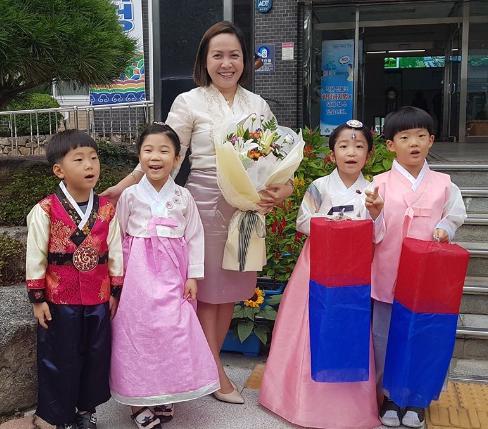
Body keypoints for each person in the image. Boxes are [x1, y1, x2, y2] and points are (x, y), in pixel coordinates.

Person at [102, 21, 293, 403]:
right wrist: (123, 188)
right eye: (217, 55)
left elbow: (275, 161)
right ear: (204, 61)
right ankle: (215, 373)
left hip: (247, 209)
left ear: (246, 60)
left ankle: (210, 365)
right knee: (206, 291)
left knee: (231, 292)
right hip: (203, 203)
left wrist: (280, 189)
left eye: (234, 55)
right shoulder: (188, 102)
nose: (227, 63)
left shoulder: (258, 105)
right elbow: (166, 156)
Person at [259, 120, 380, 429]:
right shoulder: (320, 186)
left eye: (358, 146)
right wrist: (331, 221)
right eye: (343, 146)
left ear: (369, 153)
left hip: (354, 269)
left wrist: (376, 215)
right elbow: (302, 222)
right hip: (317, 264)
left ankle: (347, 405)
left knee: (348, 328)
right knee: (309, 326)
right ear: (332, 153)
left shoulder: (374, 190)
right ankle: (297, 399)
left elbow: (380, 234)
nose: (351, 152)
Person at [110, 123, 219, 429]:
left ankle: (165, 392)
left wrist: (193, 276)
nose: (155, 157)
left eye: (163, 150)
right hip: (137, 277)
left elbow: (195, 237)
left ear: (176, 157)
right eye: (148, 150)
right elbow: (116, 238)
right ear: (139, 156)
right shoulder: (131, 195)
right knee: (137, 333)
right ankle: (136, 400)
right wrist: (116, 278)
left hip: (174, 273)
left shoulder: (183, 197)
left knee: (173, 330)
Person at [366, 106, 466, 428]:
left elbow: (454, 215)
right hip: (388, 272)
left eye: (421, 136)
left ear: (431, 140)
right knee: (384, 336)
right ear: (390, 145)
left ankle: (417, 399)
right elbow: (371, 232)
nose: (414, 143)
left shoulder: (444, 183)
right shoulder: (378, 183)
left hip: (427, 279)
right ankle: (390, 396)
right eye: (405, 136)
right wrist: (377, 213)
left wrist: (445, 230)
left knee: (423, 335)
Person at [25, 130, 124, 429]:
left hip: (97, 297)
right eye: (79, 159)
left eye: (93, 158)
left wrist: (115, 291)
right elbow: (35, 258)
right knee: (59, 358)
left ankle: (86, 411)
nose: (89, 165)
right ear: (59, 170)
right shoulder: (44, 210)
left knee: (95, 357)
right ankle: (57, 415)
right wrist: (38, 299)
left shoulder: (107, 209)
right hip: (59, 301)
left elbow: (116, 251)